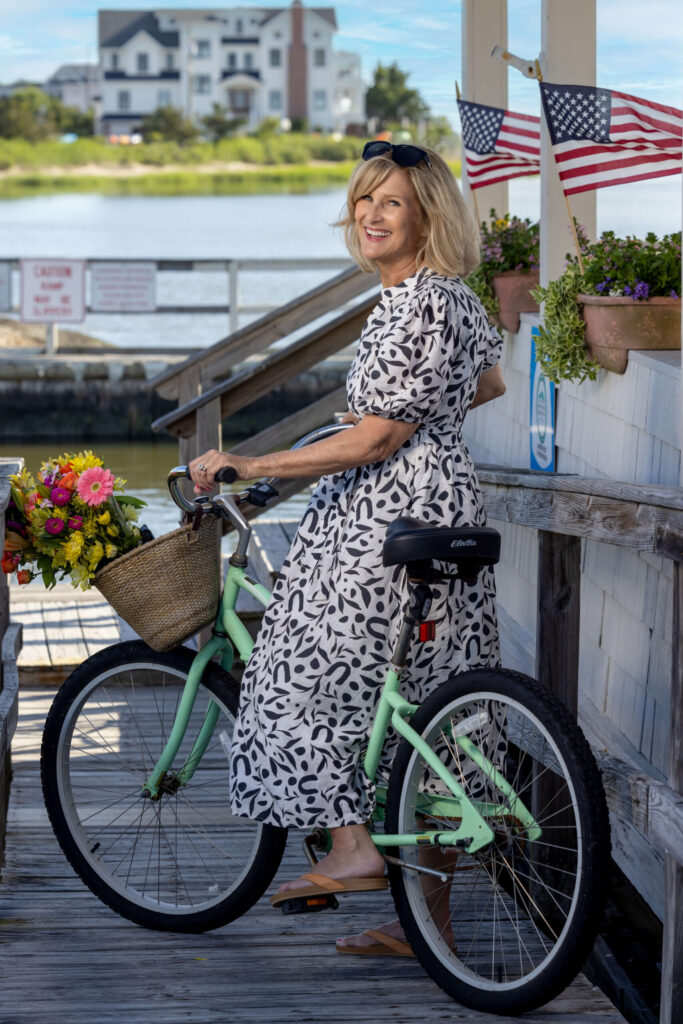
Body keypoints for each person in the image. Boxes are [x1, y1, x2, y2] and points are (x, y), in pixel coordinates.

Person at [189, 140, 506, 956]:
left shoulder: (411, 305)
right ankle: (425, 928)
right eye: (365, 198)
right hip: (446, 507)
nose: (370, 214)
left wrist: (251, 462)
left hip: (385, 519)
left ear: (427, 214)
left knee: (292, 675)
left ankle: (351, 846)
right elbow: (486, 387)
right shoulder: (456, 301)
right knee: (430, 717)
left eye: (392, 201)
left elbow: (372, 443)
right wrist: (405, 422)